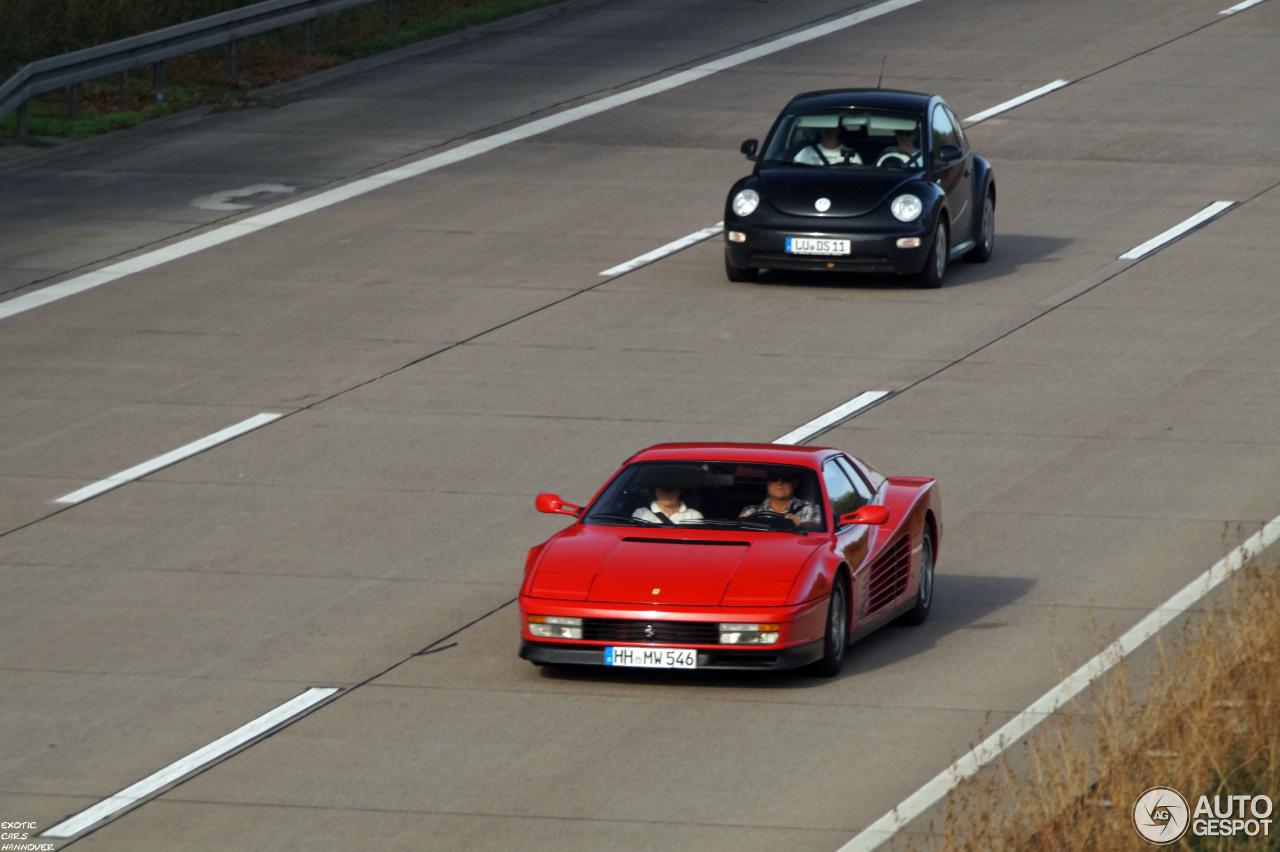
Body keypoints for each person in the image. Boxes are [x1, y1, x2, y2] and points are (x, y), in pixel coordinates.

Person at [739, 470, 821, 528]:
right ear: (768, 482)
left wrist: (799, 526)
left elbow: (816, 535)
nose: (779, 482)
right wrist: (742, 523)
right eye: (774, 478)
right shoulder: (750, 511)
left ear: (794, 483)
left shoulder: (811, 510)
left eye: (786, 478)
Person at [792, 118, 862, 166]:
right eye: (825, 126)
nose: (829, 129)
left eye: (832, 126)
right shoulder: (805, 152)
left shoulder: (852, 156)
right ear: (819, 129)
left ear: (839, 129)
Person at [633, 486, 704, 525]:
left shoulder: (694, 516)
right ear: (655, 491)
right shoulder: (641, 514)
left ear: (679, 492)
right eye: (662, 489)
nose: (667, 493)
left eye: (672, 489)